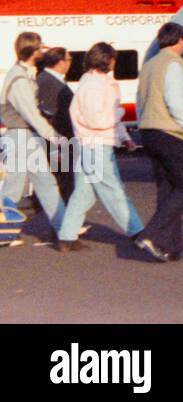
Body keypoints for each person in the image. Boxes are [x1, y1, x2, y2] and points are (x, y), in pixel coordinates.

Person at [56, 43, 144, 251]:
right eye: (112, 58)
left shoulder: (93, 82)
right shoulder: (95, 86)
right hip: (97, 145)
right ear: (105, 60)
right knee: (113, 190)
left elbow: (105, 117)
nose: (114, 62)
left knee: (84, 193)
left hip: (88, 144)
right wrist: (120, 117)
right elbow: (98, 119)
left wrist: (123, 137)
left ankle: (67, 236)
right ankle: (137, 231)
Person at [135, 22, 183, 262]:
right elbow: (174, 99)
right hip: (171, 133)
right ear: (180, 40)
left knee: (167, 188)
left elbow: (139, 100)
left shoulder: (150, 65)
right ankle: (151, 234)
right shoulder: (172, 65)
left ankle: (171, 247)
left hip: (149, 130)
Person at [1, 32, 65, 243]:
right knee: (16, 186)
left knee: (43, 181)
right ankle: (3, 233)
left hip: (24, 135)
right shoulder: (19, 78)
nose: (42, 52)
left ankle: (65, 226)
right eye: (40, 49)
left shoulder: (23, 74)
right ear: (32, 51)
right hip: (20, 136)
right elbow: (31, 114)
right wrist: (53, 136)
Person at [35, 47, 77, 201]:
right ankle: (63, 221)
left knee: (64, 182)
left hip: (62, 140)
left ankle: (64, 221)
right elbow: (49, 117)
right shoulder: (47, 81)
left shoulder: (52, 79)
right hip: (58, 141)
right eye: (68, 59)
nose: (70, 63)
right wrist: (54, 149)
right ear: (60, 62)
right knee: (63, 183)